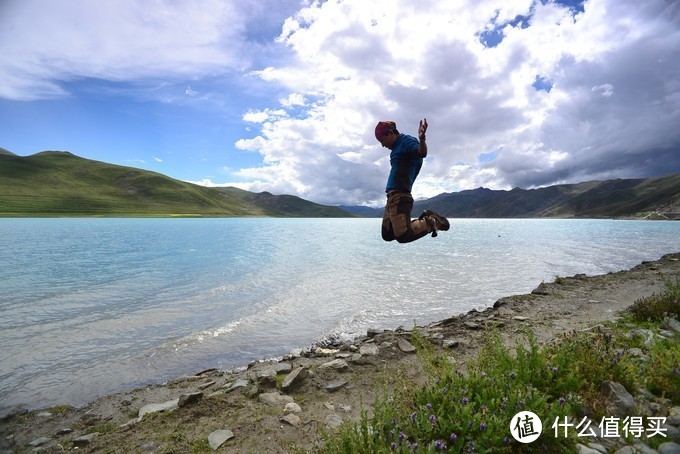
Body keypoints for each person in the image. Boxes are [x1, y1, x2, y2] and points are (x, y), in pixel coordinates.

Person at [376, 118, 449, 243]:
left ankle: (432, 221)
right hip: (391, 198)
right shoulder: (396, 149)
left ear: (390, 133)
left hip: (400, 196)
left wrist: (422, 139)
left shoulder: (406, 141)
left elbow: (422, 152)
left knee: (403, 235)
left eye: (382, 140)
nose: (382, 145)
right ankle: (422, 220)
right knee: (388, 234)